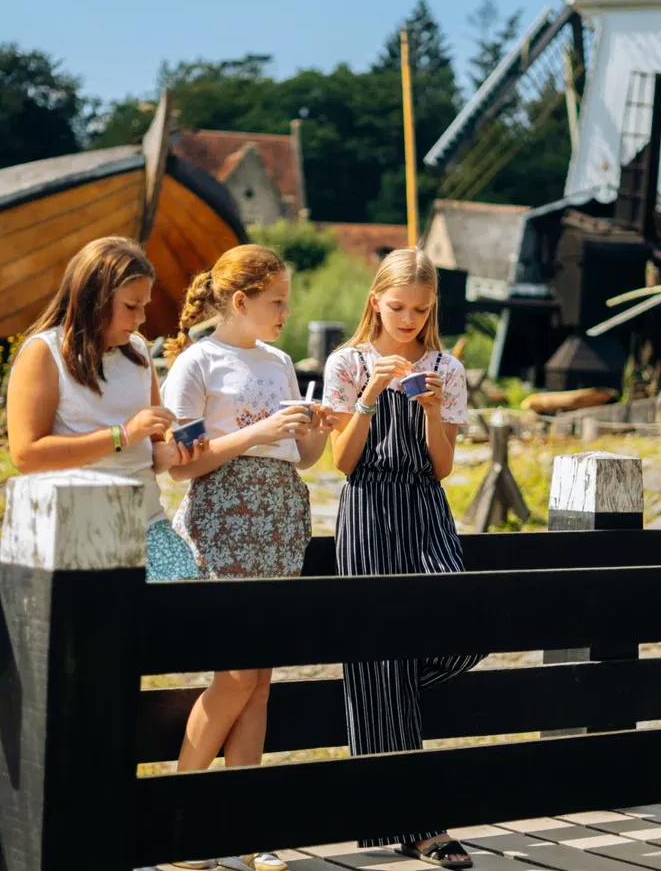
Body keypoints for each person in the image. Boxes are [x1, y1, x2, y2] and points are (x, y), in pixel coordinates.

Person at [159, 244, 330, 871]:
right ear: (241, 301)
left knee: (259, 681)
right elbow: (182, 465)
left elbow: (303, 457)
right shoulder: (197, 361)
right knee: (235, 675)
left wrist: (318, 425)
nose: (286, 311)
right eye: (277, 300)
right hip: (224, 518)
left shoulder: (282, 360)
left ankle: (243, 830)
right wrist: (257, 433)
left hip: (282, 514)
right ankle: (179, 820)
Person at [322, 247, 479, 869]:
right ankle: (421, 826)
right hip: (366, 510)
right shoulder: (347, 361)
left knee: (465, 628)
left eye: (419, 308)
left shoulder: (447, 366)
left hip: (424, 510)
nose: (408, 318)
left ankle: (378, 689)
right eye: (397, 307)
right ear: (375, 301)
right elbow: (342, 461)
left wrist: (435, 413)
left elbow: (442, 467)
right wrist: (370, 393)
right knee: (378, 651)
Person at [4, 236, 205, 583]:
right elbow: (27, 455)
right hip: (74, 528)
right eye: (131, 306)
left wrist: (172, 453)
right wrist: (123, 434)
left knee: (186, 612)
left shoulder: (139, 352)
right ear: (94, 297)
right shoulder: (43, 353)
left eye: (144, 305)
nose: (142, 318)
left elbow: (150, 452)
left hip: (148, 523)